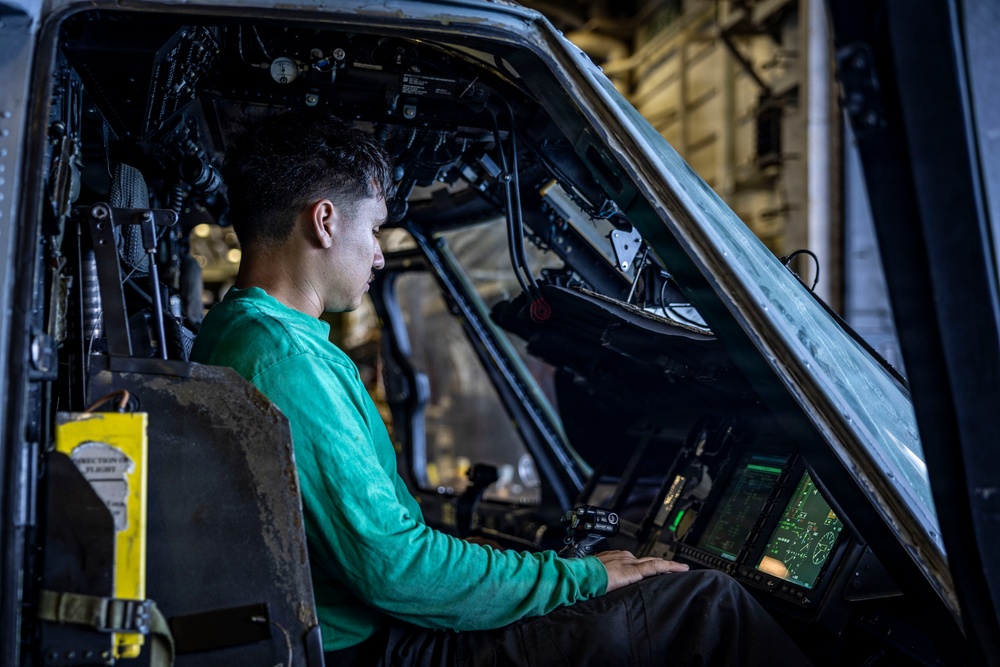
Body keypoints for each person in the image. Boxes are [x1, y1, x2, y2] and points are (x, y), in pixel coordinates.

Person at [191, 108, 812, 666]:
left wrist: (541, 570)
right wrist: (581, 578)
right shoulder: (283, 361)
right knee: (705, 604)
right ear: (324, 222)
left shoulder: (242, 332)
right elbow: (396, 569)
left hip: (354, 630)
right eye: (375, 229)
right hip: (374, 646)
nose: (379, 255)